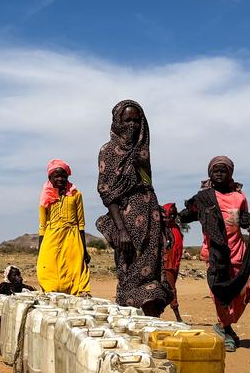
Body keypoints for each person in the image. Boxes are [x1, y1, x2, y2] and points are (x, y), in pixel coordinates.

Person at [96, 100, 172, 316]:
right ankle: (131, 326)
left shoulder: (143, 151)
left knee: (153, 276)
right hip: (126, 223)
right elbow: (107, 192)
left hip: (152, 220)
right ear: (117, 121)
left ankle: (151, 325)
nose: (132, 125)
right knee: (129, 274)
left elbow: (147, 185)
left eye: (136, 121)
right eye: (126, 120)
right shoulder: (108, 151)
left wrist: (162, 221)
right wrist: (121, 230)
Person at [178, 156, 250, 352]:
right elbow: (187, 215)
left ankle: (223, 327)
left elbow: (243, 219)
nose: (219, 173)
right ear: (210, 174)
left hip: (238, 252)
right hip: (214, 255)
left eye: (224, 170)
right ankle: (226, 329)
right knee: (220, 295)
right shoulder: (203, 198)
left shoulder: (239, 197)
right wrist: (170, 216)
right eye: (216, 170)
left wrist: (248, 225)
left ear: (230, 174)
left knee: (243, 292)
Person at [36, 159, 91, 296]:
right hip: (51, 237)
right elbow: (42, 226)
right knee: (47, 268)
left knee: (76, 268)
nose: (60, 179)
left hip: (72, 237)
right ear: (50, 178)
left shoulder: (76, 195)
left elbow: (81, 224)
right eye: (57, 176)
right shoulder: (45, 197)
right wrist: (40, 250)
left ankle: (79, 295)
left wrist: (84, 249)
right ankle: (52, 294)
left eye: (63, 176)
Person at [162, 203, 184, 322]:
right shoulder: (162, 229)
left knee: (168, 288)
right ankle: (178, 317)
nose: (171, 217)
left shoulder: (176, 228)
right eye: (169, 214)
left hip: (175, 263)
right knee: (172, 289)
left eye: (173, 215)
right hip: (166, 263)